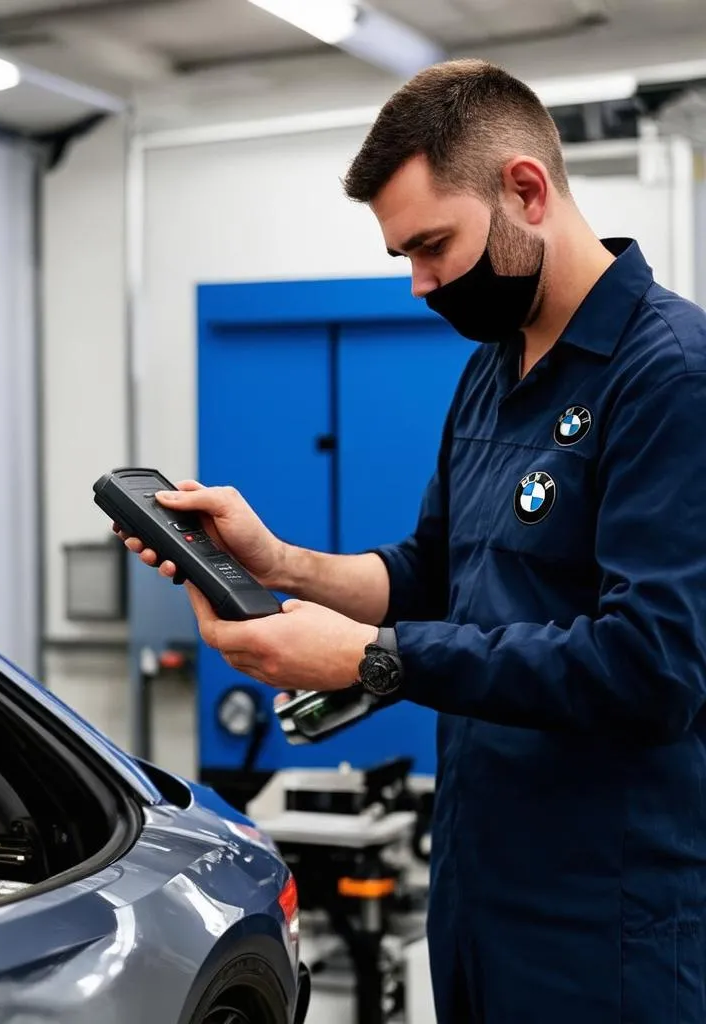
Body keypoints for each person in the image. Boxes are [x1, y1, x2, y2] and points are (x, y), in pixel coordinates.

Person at [116, 57, 706, 1022]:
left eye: (434, 245)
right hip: (478, 893)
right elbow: (433, 573)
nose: (423, 284)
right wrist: (279, 563)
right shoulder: (493, 370)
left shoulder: (670, 377)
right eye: (407, 257)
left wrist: (369, 661)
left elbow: (651, 667)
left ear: (525, 189)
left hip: (611, 922)